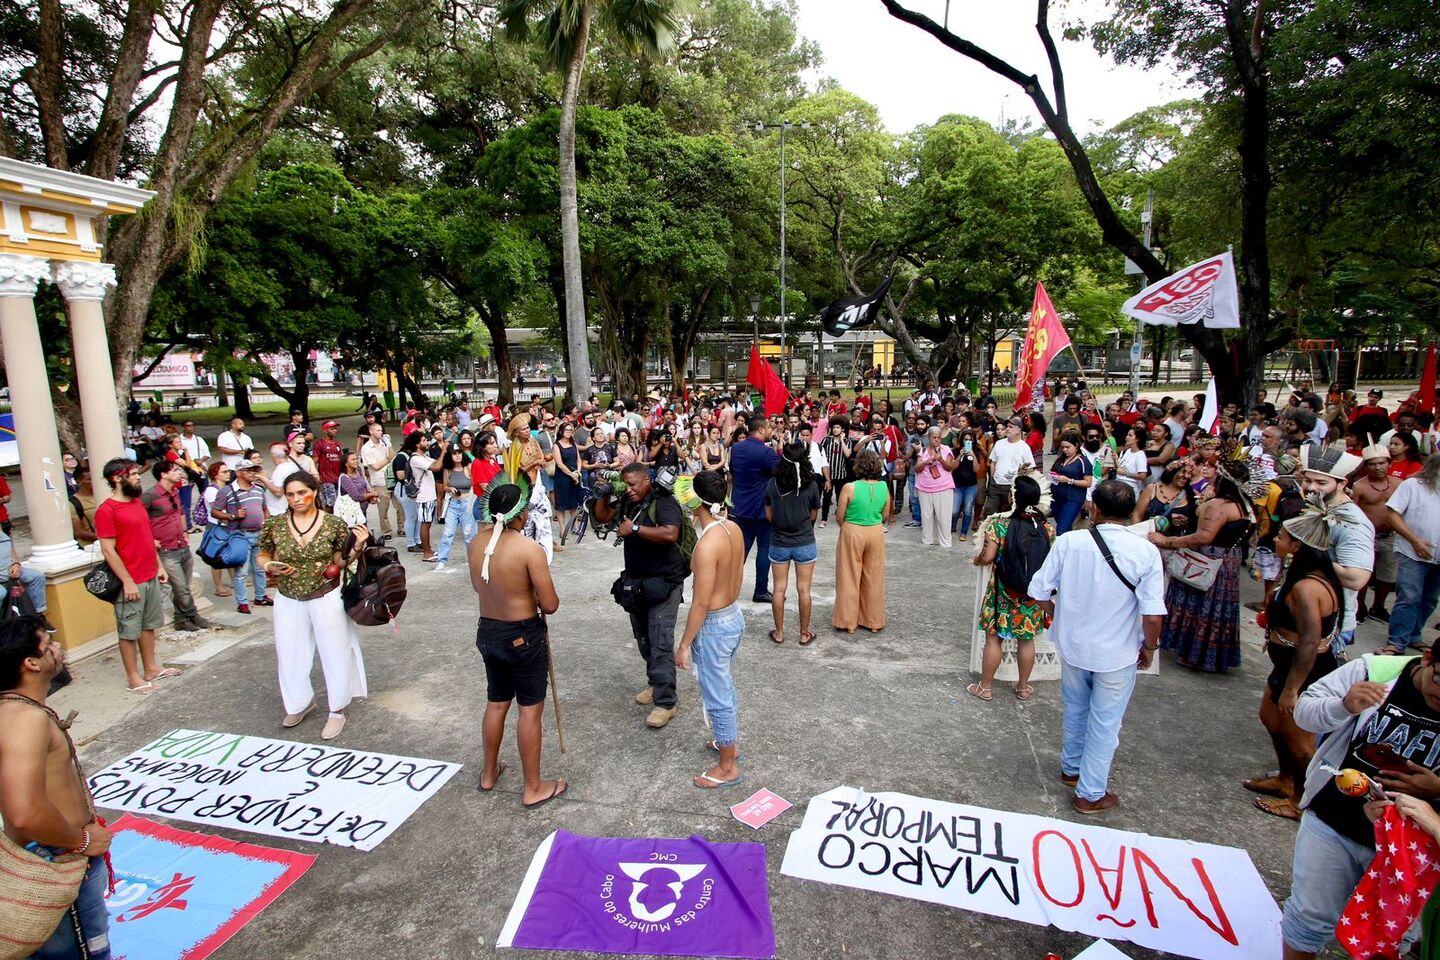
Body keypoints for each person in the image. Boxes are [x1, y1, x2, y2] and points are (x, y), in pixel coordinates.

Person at [1283, 648, 1440, 959]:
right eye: (1439, 680)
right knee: (1308, 919)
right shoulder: (1375, 670)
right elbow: (1304, 711)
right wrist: (1342, 706)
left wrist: (1436, 788)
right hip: (1334, 822)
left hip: (1413, 847)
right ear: (1427, 659)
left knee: (1390, 937)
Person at [1028, 478, 1166, 814]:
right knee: (1105, 722)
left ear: (1095, 508)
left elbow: (1039, 591)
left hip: (1074, 644)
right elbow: (1152, 614)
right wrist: (1150, 647)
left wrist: (1058, 617)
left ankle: (1072, 769)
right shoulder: (1145, 551)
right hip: (1116, 651)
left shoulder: (1070, 542)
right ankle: (1089, 794)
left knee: (1076, 709)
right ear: (1132, 511)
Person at [0, 617, 114, 958]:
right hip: (57, 860)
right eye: (47, 645)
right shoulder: (25, 719)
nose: (57, 648)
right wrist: (83, 840)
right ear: (31, 663)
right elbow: (24, 814)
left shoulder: (19, 711)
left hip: (58, 852)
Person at [469, 478, 565, 808]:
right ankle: (533, 786)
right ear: (521, 515)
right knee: (529, 711)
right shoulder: (528, 549)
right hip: (522, 636)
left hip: (488, 631)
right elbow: (550, 604)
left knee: (496, 702)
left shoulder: (476, 543)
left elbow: (477, 586)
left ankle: (488, 772)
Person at [1245, 500, 1344, 821]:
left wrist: (1293, 689)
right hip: (1286, 666)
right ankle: (1285, 780)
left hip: (1305, 673)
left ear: (1298, 546)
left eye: (1282, 537)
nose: (1275, 539)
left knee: (1300, 742)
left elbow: (1310, 641)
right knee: (1271, 720)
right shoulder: (1300, 575)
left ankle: (1301, 800)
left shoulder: (1307, 587)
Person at [257, 472, 370, 741]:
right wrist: (269, 566)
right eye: (291, 495)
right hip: (288, 596)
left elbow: (340, 562)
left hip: (325, 594)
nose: (296, 499)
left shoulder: (333, 524)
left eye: (301, 493)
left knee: (335, 651)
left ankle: (337, 709)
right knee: (290, 652)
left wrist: (358, 546)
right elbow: (262, 553)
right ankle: (299, 702)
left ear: (315, 492)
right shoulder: (274, 525)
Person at [674, 471, 746, 788]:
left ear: (694, 503)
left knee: (717, 696)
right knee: (723, 687)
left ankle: (727, 766)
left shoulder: (706, 545)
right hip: (733, 615)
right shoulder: (733, 528)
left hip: (716, 623)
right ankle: (725, 741)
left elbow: (700, 604)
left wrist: (684, 644)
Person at [1150, 459, 1254, 672]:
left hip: (1208, 560)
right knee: (1217, 608)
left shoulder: (1219, 506)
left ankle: (1194, 653)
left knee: (1201, 605)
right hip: (1228, 560)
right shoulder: (1246, 506)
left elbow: (1203, 538)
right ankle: (1208, 655)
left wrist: (1166, 541)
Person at [94, 457, 180, 694]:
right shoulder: (107, 510)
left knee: (148, 625)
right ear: (117, 478)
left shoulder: (136, 504)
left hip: (149, 574)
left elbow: (147, 538)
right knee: (129, 630)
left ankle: (151, 668)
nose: (137, 476)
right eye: (132, 474)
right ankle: (134, 677)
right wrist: (127, 581)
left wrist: (159, 566)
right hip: (130, 580)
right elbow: (108, 550)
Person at [970, 475, 1053, 702]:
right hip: (1032, 594)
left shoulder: (1000, 524)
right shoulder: (1046, 528)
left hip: (1003, 592)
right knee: (1026, 640)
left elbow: (987, 557)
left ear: (1013, 497)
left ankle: (985, 687)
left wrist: (977, 560)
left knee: (994, 638)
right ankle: (1023, 688)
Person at [617, 462, 686, 729]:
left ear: (647, 480)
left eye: (633, 484)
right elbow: (603, 518)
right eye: (626, 484)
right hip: (637, 583)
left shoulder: (664, 501)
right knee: (644, 639)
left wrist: (634, 530)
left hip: (664, 583)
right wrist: (602, 495)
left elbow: (670, 533)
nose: (629, 489)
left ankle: (666, 703)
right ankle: (655, 683)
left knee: (660, 643)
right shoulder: (630, 501)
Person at [1297, 445, 1375, 650]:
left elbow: (1356, 578)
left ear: (1342, 484)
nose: (1312, 487)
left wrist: (1310, 556)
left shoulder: (1354, 523)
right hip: (1302, 613)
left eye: (1321, 482)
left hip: (1330, 623)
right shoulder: (1315, 505)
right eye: (1307, 480)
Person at [142, 460, 213, 633]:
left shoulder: (175, 492)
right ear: (163, 474)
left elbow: (181, 512)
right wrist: (150, 539)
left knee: (184, 586)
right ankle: (192, 614)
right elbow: (140, 520)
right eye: (174, 470)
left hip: (181, 545)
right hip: (166, 549)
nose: (179, 473)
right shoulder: (150, 496)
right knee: (180, 587)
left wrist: (185, 531)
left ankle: (181, 619)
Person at [1382, 453, 1440, 656]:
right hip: (1411, 552)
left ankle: (1414, 635)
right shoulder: (1413, 485)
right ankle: (1397, 641)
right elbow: (1392, 513)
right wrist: (1415, 540)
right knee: (1409, 596)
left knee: (1430, 599)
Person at [766, 441, 820, 646]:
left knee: (779, 588)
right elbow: (814, 514)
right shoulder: (812, 484)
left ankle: (779, 632)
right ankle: (804, 633)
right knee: (804, 589)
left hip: (779, 541)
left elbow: (768, 514)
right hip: (805, 540)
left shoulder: (772, 484)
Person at [832, 450, 890, 634]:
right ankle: (873, 621)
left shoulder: (850, 487)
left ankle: (848, 621)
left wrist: (848, 524)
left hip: (852, 530)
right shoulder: (883, 487)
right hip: (875, 531)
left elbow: (840, 516)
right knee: (873, 577)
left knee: (849, 575)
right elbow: (886, 515)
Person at [729, 418, 781, 603]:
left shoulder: (735, 449)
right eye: (768, 427)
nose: (770, 429)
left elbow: (733, 473)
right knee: (764, 548)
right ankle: (760, 590)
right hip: (761, 508)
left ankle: (728, 588)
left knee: (740, 551)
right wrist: (779, 447)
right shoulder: (766, 452)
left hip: (740, 506)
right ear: (760, 429)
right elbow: (781, 471)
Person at [213, 457, 271, 613]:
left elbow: (264, 509)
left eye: (254, 470)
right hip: (240, 535)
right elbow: (214, 511)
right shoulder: (227, 491)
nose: (253, 473)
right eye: (248, 470)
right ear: (238, 473)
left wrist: (268, 524)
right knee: (241, 572)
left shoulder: (259, 489)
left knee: (259, 569)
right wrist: (232, 516)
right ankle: (242, 602)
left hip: (259, 533)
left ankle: (261, 596)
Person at [1351, 438, 1399, 623]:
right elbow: (1352, 511)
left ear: (1389, 463)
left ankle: (1378, 606)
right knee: (1364, 572)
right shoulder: (1360, 486)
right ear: (1366, 466)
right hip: (1366, 536)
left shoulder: (1398, 483)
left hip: (1390, 536)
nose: (1378, 467)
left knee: (1387, 575)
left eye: (1382, 463)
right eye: (1372, 464)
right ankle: (1359, 606)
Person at [915, 425, 958, 548]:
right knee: (926, 516)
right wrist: (925, 462)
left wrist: (941, 460)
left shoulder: (946, 449)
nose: (937, 440)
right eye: (934, 437)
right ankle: (927, 540)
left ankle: (945, 542)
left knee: (944, 516)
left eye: (939, 437)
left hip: (943, 487)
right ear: (929, 438)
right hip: (924, 487)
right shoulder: (922, 451)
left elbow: (950, 467)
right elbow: (916, 468)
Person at [986, 418, 1032, 516]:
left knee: (1010, 513)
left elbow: (1030, 467)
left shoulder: (1024, 447)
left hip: (1012, 486)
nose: (1007, 429)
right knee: (990, 511)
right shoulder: (999, 443)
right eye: (1007, 426)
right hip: (996, 484)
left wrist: (1020, 482)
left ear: (1019, 429)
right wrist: (992, 478)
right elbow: (993, 462)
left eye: (1011, 427)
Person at [1048, 432, 1091, 535]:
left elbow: (1088, 482)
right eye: (1063, 447)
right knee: (1063, 526)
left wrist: (1069, 480)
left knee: (1061, 529)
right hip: (1057, 497)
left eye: (1068, 447)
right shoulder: (1061, 459)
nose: (1065, 450)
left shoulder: (1083, 461)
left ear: (1076, 445)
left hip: (1072, 499)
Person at [552, 421, 583, 547]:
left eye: (571, 429)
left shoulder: (573, 444)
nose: (569, 432)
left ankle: (575, 525)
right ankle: (562, 528)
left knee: (574, 502)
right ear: (561, 431)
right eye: (567, 429)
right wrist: (571, 474)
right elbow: (560, 464)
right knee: (561, 504)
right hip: (562, 478)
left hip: (575, 476)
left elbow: (578, 460)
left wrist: (578, 473)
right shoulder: (556, 446)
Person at [819, 419, 852, 528]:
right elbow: (821, 455)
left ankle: (841, 517)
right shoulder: (826, 440)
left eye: (838, 427)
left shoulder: (848, 441)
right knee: (826, 497)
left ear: (842, 429)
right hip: (828, 474)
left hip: (841, 474)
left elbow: (847, 454)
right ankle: (824, 519)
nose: (835, 430)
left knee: (840, 498)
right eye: (833, 427)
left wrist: (842, 440)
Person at [314, 420, 343, 510]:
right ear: (325, 430)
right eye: (332, 429)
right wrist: (316, 475)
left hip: (337, 478)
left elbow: (341, 459)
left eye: (335, 428)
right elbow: (315, 460)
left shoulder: (337, 444)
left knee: (339, 502)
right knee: (330, 503)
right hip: (326, 479)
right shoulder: (319, 444)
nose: (335, 430)